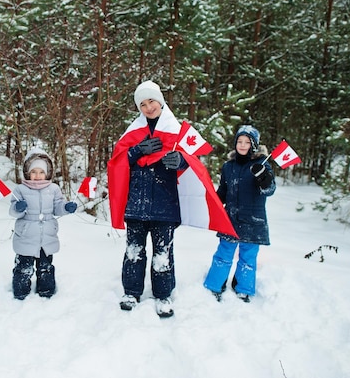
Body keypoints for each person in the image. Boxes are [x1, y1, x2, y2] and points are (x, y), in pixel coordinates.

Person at [107, 80, 189, 318]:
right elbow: (117, 165)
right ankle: (131, 292)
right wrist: (137, 150)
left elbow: (191, 162)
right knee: (134, 250)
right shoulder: (132, 134)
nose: (148, 107)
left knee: (163, 252)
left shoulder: (175, 131)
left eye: (151, 101)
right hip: (136, 204)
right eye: (142, 104)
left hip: (165, 204)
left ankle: (163, 295)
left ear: (160, 101)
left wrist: (180, 161)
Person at [203, 125, 276, 303]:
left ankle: (243, 287)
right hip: (231, 217)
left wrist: (263, 177)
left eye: (247, 142)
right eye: (239, 141)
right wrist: (214, 200)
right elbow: (224, 190)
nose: (242, 145)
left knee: (248, 256)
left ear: (254, 144)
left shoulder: (262, 164)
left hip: (253, 219)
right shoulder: (229, 166)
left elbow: (269, 189)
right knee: (224, 252)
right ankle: (215, 284)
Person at [8, 149, 77, 300]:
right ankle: (20, 291)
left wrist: (65, 207)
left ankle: (46, 291)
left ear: (47, 173)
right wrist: (18, 208)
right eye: (34, 172)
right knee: (24, 267)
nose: (37, 176)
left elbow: (57, 206)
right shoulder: (21, 189)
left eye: (41, 172)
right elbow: (13, 211)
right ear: (27, 173)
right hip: (26, 235)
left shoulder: (53, 189)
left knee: (45, 266)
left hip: (47, 236)